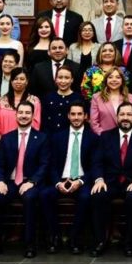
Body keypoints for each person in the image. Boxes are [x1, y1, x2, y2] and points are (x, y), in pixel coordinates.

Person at [0, 102, 50, 259]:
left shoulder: (42, 138)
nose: (24, 115)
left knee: (30, 198)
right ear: (16, 115)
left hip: (30, 182)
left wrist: (32, 182)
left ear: (33, 116)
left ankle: (29, 244)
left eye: (27, 113)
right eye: (21, 112)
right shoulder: (7, 138)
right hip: (10, 182)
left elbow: (44, 165)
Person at [89, 102, 132, 257]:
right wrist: (98, 179)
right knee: (98, 196)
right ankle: (100, 241)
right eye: (122, 114)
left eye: (129, 114)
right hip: (109, 182)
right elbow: (97, 161)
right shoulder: (105, 136)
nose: (125, 118)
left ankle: (130, 243)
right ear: (117, 117)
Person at [41, 102, 98, 254]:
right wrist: (57, 182)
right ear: (68, 116)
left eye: (80, 114)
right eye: (73, 114)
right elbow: (51, 164)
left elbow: (95, 166)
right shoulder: (57, 137)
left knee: (86, 197)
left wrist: (79, 182)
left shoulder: (93, 138)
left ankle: (75, 237)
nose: (76, 117)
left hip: (82, 180)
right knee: (46, 194)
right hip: (61, 179)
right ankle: (55, 236)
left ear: (86, 116)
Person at [0, 70, 41, 135]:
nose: (18, 81)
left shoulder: (34, 101)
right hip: (3, 140)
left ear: (27, 82)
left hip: (25, 140)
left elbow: (36, 125)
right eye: (15, 79)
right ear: (11, 82)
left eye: (22, 79)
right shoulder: (2, 100)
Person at [90, 67, 132, 135]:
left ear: (122, 80)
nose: (114, 80)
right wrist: (105, 137)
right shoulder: (96, 98)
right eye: (110, 77)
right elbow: (94, 123)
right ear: (106, 80)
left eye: (118, 77)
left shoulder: (131, 98)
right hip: (104, 139)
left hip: (125, 139)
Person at [42, 65, 84, 134]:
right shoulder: (48, 97)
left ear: (72, 80)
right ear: (55, 79)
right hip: (49, 138)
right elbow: (44, 121)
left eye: (67, 78)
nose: (63, 81)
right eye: (60, 77)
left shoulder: (78, 98)